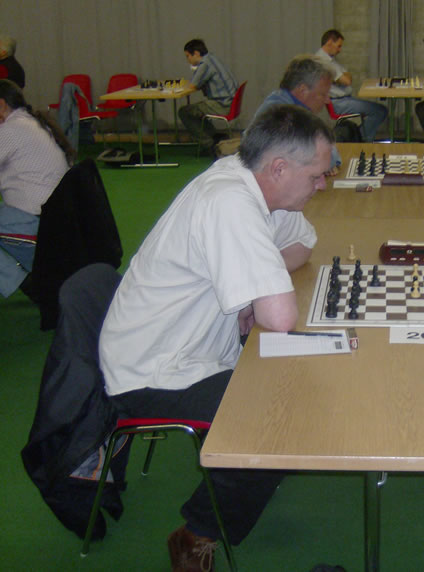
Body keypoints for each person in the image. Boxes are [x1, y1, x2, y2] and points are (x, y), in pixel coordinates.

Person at [98, 105, 333, 570]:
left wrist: (249, 290)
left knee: (299, 390)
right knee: (285, 422)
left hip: (197, 347)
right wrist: (258, 293)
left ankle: (252, 471)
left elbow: (303, 245)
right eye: (317, 176)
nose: (322, 185)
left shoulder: (256, 184)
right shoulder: (229, 200)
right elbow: (280, 318)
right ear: (279, 168)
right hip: (155, 370)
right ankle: (196, 534)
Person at [0, 79, 74, 298]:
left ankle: (27, 284)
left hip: (35, 224)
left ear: (1, 105)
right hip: (53, 220)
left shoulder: (11, 130)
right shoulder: (31, 123)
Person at [255, 55, 341, 174]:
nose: (327, 100)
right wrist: (327, 159)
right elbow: (321, 159)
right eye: (323, 94)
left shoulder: (293, 106)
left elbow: (326, 148)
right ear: (303, 90)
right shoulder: (282, 115)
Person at [315, 29, 387, 142]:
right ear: (329, 42)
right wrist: (344, 77)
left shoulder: (330, 60)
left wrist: (343, 77)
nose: (340, 50)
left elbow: (347, 75)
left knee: (380, 110)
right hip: (338, 103)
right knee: (380, 111)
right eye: (338, 46)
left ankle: (359, 138)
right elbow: (347, 80)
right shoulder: (323, 62)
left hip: (344, 100)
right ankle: (361, 140)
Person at [178, 38, 239, 153]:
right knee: (197, 110)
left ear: (196, 53)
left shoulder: (205, 64)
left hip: (222, 105)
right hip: (229, 102)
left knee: (184, 112)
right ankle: (213, 136)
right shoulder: (212, 58)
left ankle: (209, 144)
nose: (188, 60)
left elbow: (193, 85)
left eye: (188, 56)